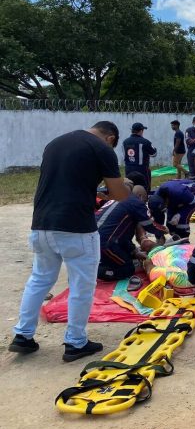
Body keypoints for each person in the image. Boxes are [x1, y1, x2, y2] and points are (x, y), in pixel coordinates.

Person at [9, 121, 129, 362]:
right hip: (76, 227)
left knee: (39, 279)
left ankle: (22, 335)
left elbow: (66, 182)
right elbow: (119, 195)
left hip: (42, 223)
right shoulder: (102, 148)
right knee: (81, 285)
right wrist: (125, 187)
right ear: (110, 138)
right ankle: (76, 342)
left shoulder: (55, 143)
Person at [97, 185, 167, 281]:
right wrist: (164, 229)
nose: (144, 205)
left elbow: (123, 237)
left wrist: (134, 252)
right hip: (105, 243)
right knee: (128, 268)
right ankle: (97, 272)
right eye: (145, 201)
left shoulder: (116, 200)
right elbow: (150, 225)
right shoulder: (136, 203)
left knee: (125, 257)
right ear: (140, 196)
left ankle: (102, 263)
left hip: (95, 238)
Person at [123, 122, 157, 192]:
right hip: (142, 169)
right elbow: (154, 154)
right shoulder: (145, 142)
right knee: (144, 188)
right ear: (141, 131)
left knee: (130, 186)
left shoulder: (125, 142)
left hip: (128, 168)